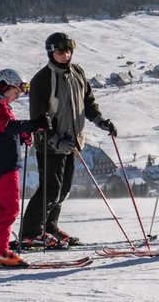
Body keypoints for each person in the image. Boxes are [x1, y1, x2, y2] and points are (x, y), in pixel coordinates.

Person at [21, 32, 117, 247]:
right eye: (60, 51)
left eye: (68, 50)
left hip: (72, 143)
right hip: (50, 145)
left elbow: (88, 103)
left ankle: (49, 227)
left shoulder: (78, 72)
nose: (66, 55)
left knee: (63, 190)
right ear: (51, 53)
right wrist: (56, 140)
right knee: (50, 189)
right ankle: (30, 232)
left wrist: (101, 121)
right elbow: (39, 120)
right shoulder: (42, 80)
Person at [0, 69, 49, 266]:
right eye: (16, 91)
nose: (17, 96)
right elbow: (9, 126)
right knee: (10, 209)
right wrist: (34, 124)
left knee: (1, 208)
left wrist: (20, 135)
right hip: (4, 164)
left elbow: (5, 129)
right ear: (5, 86)